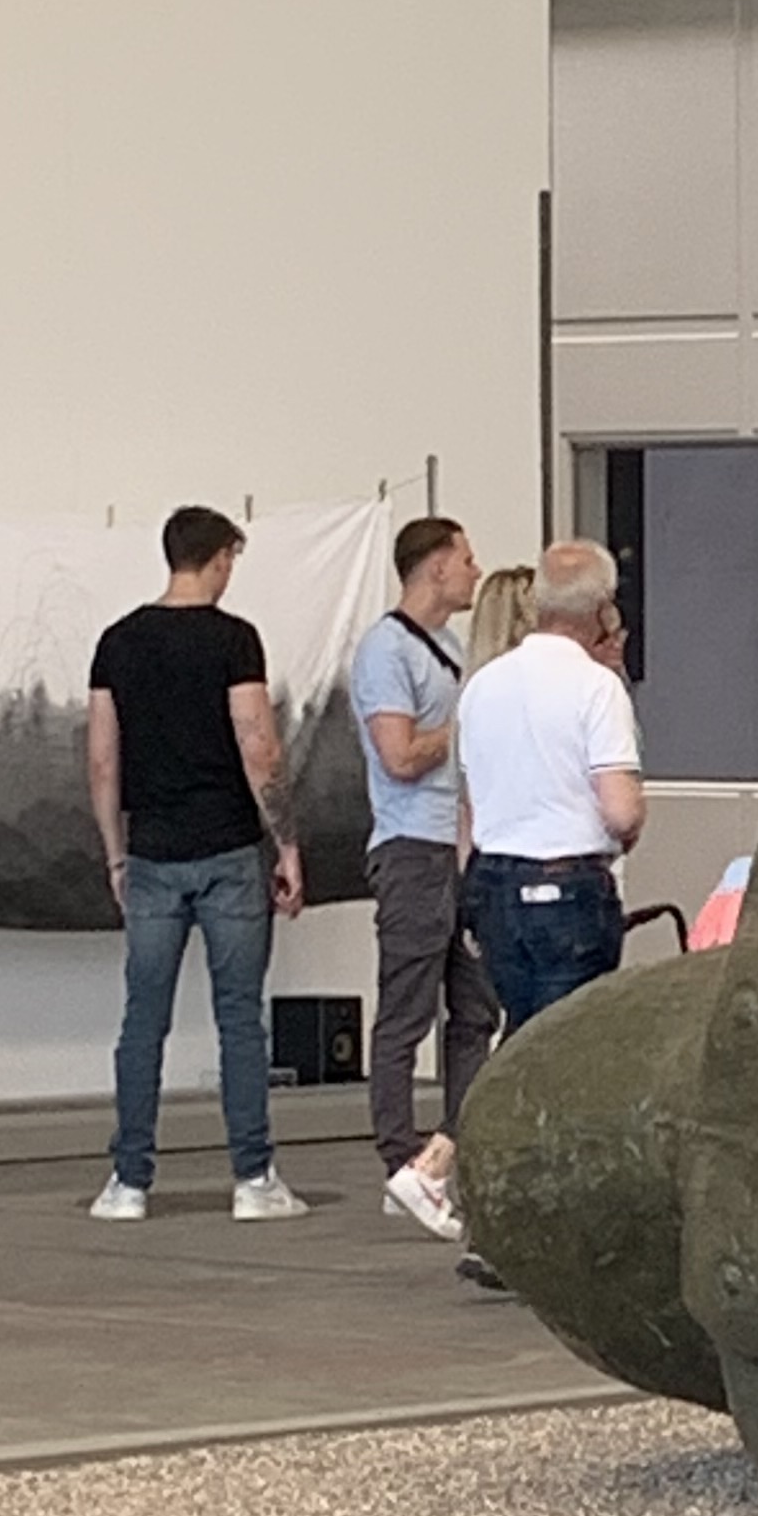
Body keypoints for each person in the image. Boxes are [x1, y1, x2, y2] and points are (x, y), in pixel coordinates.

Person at [83, 505, 308, 1220]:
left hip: (152, 852)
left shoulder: (117, 642)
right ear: (219, 559)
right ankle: (253, 1180)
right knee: (239, 1018)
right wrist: (287, 844)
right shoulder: (234, 640)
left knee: (142, 1019)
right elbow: (259, 748)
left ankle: (128, 1183)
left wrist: (116, 855)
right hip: (228, 850)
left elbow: (102, 761)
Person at [347, 513, 495, 1241]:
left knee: (477, 1009)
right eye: (465, 559)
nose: (475, 571)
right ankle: (397, 1160)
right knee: (406, 1011)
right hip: (410, 848)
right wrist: (466, 727)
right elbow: (400, 755)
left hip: (457, 847)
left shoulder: (455, 650)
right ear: (435, 566)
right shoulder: (386, 649)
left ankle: (446, 1156)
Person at [455, 539, 646, 1036]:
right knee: (570, 1041)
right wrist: (631, 826)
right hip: (570, 888)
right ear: (603, 609)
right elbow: (621, 812)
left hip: (495, 886)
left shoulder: (482, 686)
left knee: (520, 1033)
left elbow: (470, 808)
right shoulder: (596, 687)